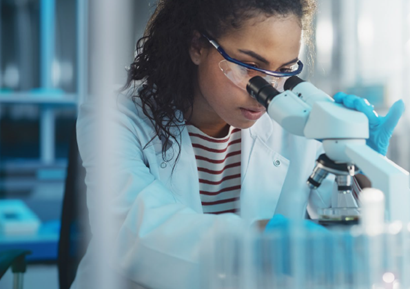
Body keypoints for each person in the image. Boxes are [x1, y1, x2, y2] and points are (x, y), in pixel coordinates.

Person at [71, 0, 405, 288]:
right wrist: (268, 247)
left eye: (284, 71)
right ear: (198, 46)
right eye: (251, 67)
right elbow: (136, 234)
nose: (267, 91)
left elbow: (359, 224)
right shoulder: (115, 118)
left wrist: (362, 162)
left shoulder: (295, 122)